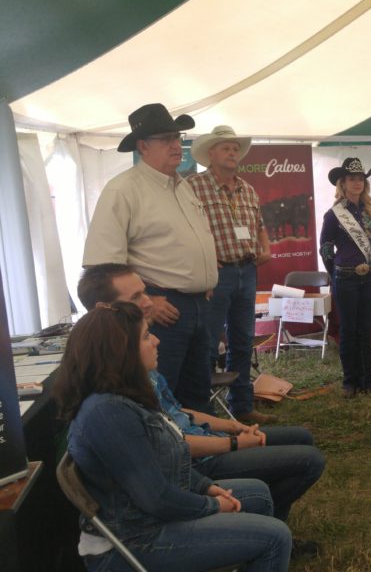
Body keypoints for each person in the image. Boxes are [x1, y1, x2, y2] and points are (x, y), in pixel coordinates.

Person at [77, 263, 325, 550]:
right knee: (293, 474)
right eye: (136, 297)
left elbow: (174, 420)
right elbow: (161, 481)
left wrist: (232, 429)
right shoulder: (111, 402)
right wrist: (218, 482)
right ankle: (265, 533)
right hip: (166, 501)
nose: (148, 302)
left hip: (188, 464)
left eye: (145, 292)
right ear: (105, 307)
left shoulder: (129, 367)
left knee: (289, 457)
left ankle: (262, 529)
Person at [53, 302, 291, 571]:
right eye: (145, 336)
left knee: (258, 495)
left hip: (146, 523)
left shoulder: (124, 397)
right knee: (275, 538)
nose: (155, 340)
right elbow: (157, 498)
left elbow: (163, 459)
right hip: (135, 541)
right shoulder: (108, 412)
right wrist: (211, 505)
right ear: (119, 352)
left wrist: (203, 486)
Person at [83, 103, 218, 413]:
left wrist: (204, 279)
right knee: (159, 402)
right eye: (166, 138)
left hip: (197, 305)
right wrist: (147, 301)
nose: (176, 144)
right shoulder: (123, 190)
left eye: (177, 136)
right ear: (142, 146)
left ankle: (206, 457)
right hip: (160, 311)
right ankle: (170, 459)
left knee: (197, 394)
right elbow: (101, 268)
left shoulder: (182, 186)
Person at [187, 125, 276, 424]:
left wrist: (265, 248)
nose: (233, 152)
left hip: (247, 270)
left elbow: (260, 225)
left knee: (243, 339)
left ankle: (242, 405)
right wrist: (206, 261)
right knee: (209, 342)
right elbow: (187, 231)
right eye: (226, 147)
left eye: (235, 148)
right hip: (217, 273)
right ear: (210, 154)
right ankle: (206, 411)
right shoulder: (194, 187)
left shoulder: (247, 189)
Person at [320, 158, 371, 398]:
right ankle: (350, 382)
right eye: (352, 179)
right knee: (348, 329)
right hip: (345, 277)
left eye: (360, 179)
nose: (357, 183)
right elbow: (325, 246)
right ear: (342, 184)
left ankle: (368, 381)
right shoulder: (334, 214)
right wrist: (335, 269)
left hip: (368, 276)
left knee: (365, 329)